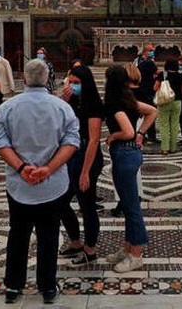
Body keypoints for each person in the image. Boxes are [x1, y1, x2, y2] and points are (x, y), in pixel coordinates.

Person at [0, 59, 80, 304]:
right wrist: (47, 169)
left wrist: (22, 168)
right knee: (49, 235)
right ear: (47, 78)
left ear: (25, 79)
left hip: (19, 183)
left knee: (18, 234)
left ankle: (13, 286)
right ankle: (47, 286)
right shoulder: (62, 107)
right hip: (52, 184)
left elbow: (1, 143)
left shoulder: (8, 107)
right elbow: (71, 143)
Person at [103, 65, 157, 273]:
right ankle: (128, 247)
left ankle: (136, 253)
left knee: (132, 207)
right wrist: (141, 132)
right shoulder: (127, 99)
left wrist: (113, 136)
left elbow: (126, 132)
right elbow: (152, 111)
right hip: (131, 153)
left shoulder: (116, 103)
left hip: (125, 152)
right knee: (128, 205)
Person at [58, 65, 105, 267]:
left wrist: (85, 172)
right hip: (71, 153)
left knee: (87, 205)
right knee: (61, 201)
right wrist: (64, 100)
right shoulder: (70, 101)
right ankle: (76, 242)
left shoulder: (93, 104)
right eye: (71, 82)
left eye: (77, 83)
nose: (73, 86)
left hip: (88, 156)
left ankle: (90, 249)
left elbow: (94, 140)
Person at [153, 58, 182, 154]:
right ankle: (173, 147)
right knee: (175, 125)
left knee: (164, 125)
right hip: (177, 102)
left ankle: (164, 148)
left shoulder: (162, 75)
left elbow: (155, 87)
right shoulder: (180, 75)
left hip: (164, 102)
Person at [136, 45, 158, 143]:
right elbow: (157, 73)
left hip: (141, 89)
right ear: (145, 51)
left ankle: (144, 134)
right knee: (150, 112)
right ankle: (147, 135)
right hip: (147, 90)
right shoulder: (148, 62)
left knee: (145, 112)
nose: (152, 52)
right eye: (151, 50)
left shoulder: (139, 61)